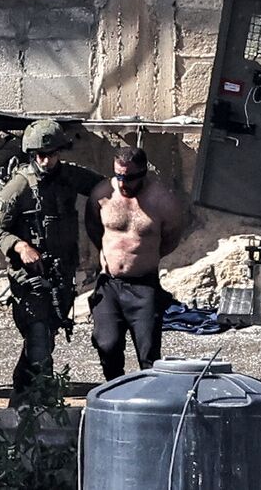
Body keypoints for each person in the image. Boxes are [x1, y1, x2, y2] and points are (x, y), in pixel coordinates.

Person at [0, 119, 103, 400]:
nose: (46, 160)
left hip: (61, 275)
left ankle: (21, 395)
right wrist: (20, 245)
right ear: (31, 154)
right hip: (30, 279)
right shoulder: (19, 186)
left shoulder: (70, 177)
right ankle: (47, 403)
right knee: (38, 338)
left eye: (51, 154)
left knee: (46, 336)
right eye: (39, 155)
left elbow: (104, 188)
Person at [85, 147, 184, 380]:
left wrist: (144, 258)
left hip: (143, 285)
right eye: (118, 176)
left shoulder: (163, 201)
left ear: (143, 172)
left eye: (128, 177)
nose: (122, 183)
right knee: (107, 345)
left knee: (149, 353)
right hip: (109, 284)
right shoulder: (102, 194)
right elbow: (93, 229)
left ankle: (149, 405)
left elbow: (171, 239)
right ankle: (114, 393)